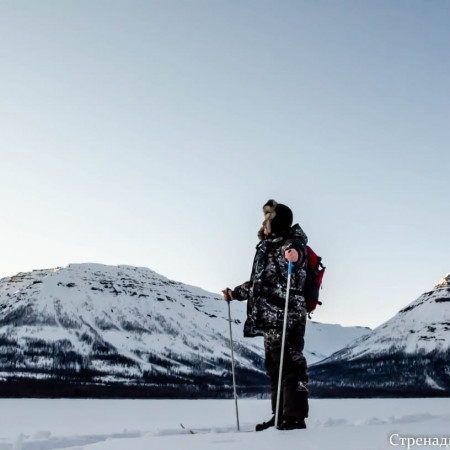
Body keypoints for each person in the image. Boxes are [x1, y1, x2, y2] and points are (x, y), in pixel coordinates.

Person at [222, 199, 309, 431]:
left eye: (267, 219)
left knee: (291, 365)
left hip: (287, 316)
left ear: (277, 221)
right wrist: (235, 294)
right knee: (275, 368)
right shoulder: (267, 247)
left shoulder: (290, 242)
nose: (264, 223)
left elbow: (298, 255)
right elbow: (259, 283)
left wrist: (295, 256)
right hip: (270, 318)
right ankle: (279, 415)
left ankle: (295, 417)